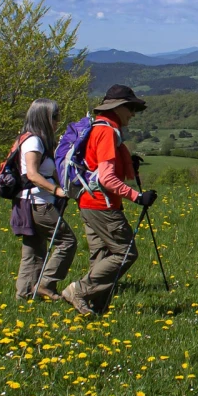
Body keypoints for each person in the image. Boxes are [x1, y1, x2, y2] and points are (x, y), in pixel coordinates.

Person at [61, 85, 156, 316]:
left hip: (87, 201)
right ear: (118, 108)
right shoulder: (107, 132)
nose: (133, 113)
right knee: (125, 253)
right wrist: (138, 197)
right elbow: (106, 177)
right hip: (102, 205)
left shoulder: (99, 127)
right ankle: (79, 291)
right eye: (130, 108)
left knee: (102, 255)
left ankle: (95, 309)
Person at [14, 98, 76, 301]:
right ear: (44, 118)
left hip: (28, 202)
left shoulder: (27, 138)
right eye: (55, 117)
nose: (58, 121)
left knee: (33, 251)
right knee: (67, 241)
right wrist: (56, 190)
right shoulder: (34, 141)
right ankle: (46, 284)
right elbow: (32, 174)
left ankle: (24, 296)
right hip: (38, 203)